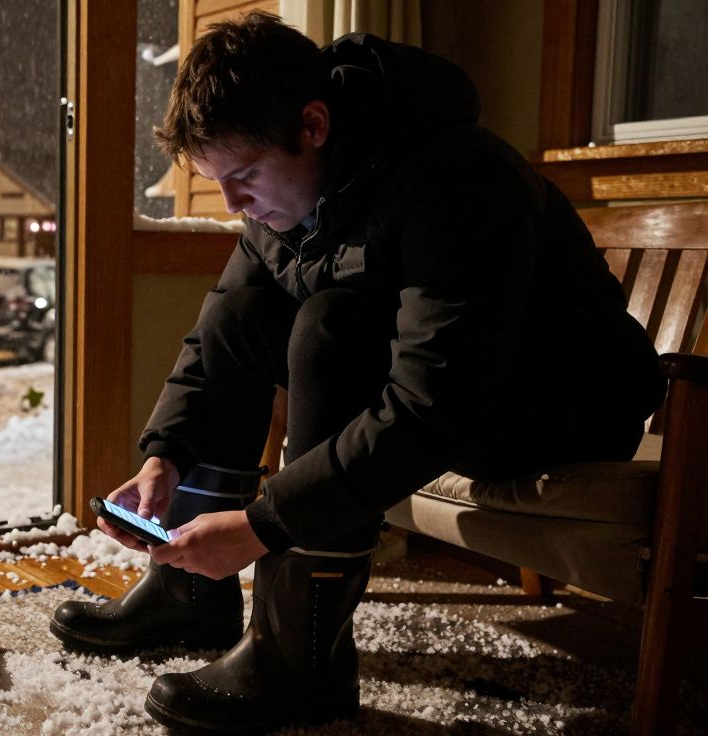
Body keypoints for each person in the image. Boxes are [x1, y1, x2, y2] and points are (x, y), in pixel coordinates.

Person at [50, 12, 666, 733]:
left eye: (243, 176)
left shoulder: (460, 179)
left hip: (556, 412)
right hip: (452, 393)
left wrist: (263, 525)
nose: (233, 204)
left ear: (314, 125)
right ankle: (188, 592)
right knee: (245, 313)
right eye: (218, 182)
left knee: (331, 328)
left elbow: (433, 405)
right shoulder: (287, 199)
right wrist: (166, 457)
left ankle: (299, 658)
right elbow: (222, 324)